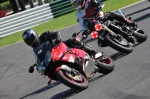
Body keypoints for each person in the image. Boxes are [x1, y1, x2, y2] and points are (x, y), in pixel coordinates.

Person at [22, 29, 102, 73]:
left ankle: (92, 52)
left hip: (61, 48)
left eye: (30, 39)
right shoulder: (35, 50)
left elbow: (56, 33)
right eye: (27, 41)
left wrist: (57, 39)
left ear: (34, 35)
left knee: (72, 40)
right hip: (54, 58)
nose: (30, 42)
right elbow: (39, 58)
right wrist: (38, 65)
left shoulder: (44, 35)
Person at [70, 0, 137, 42]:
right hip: (94, 24)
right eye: (74, 4)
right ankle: (111, 40)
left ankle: (127, 20)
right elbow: (82, 24)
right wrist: (84, 33)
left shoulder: (89, 1)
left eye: (76, 3)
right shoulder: (78, 14)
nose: (76, 5)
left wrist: (98, 6)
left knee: (111, 15)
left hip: (100, 16)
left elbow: (100, 3)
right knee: (100, 42)